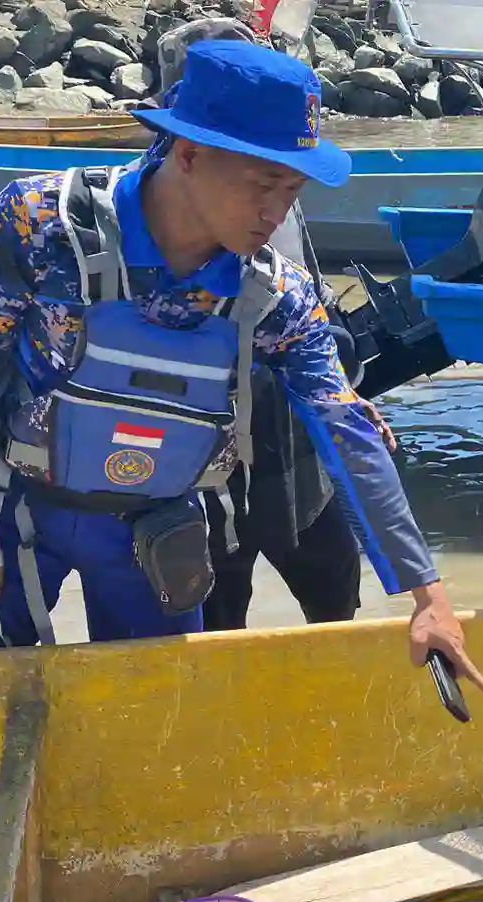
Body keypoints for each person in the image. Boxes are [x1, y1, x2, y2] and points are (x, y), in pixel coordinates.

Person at [0, 39, 483, 693]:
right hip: (14, 512)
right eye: (262, 184)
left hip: (151, 531)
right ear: (187, 153)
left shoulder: (277, 296)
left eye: (293, 190)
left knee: (154, 718)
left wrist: (428, 596)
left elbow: (345, 427)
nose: (276, 212)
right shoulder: (34, 226)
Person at [145, 16, 386, 630]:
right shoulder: (166, 204)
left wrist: (346, 391)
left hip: (290, 435)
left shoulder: (273, 185)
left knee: (333, 588)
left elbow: (307, 296)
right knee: (218, 613)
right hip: (202, 456)